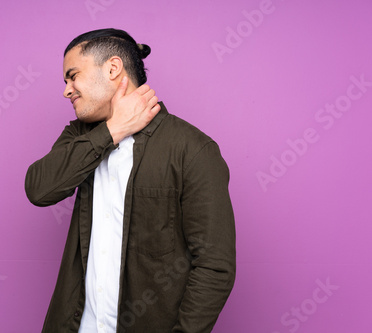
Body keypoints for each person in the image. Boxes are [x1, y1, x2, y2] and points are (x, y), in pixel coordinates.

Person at [25, 28, 236, 333]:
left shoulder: (192, 149)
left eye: (73, 76)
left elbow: (215, 266)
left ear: (112, 69)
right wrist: (112, 131)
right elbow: (39, 189)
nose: (67, 90)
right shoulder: (79, 136)